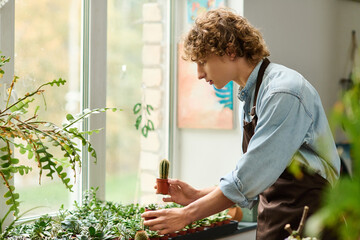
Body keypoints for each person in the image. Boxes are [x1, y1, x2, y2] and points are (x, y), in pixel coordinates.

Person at [142, 8, 340, 240]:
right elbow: (257, 180)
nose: (198, 74)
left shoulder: (283, 92)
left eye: (203, 62)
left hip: (311, 220)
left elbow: (249, 177)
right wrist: (197, 194)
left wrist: (187, 215)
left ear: (230, 51)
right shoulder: (250, 96)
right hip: (275, 220)